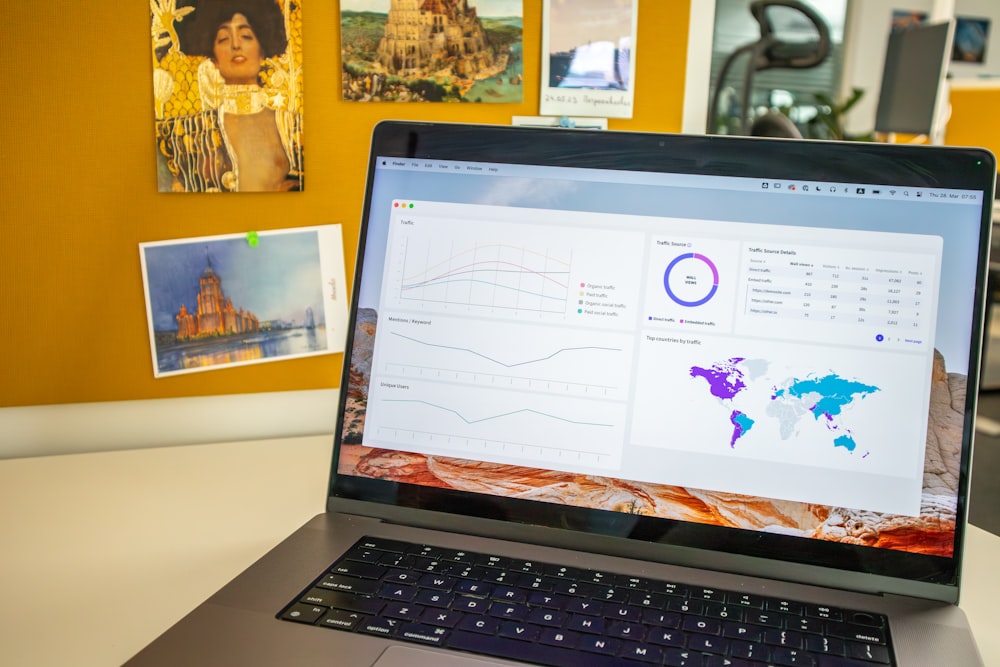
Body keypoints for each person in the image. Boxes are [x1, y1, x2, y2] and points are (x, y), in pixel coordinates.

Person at [156, 0, 303, 192]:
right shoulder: (184, 135)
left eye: (246, 36)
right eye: (224, 38)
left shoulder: (294, 128)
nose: (236, 45)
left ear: (262, 49)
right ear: (213, 58)